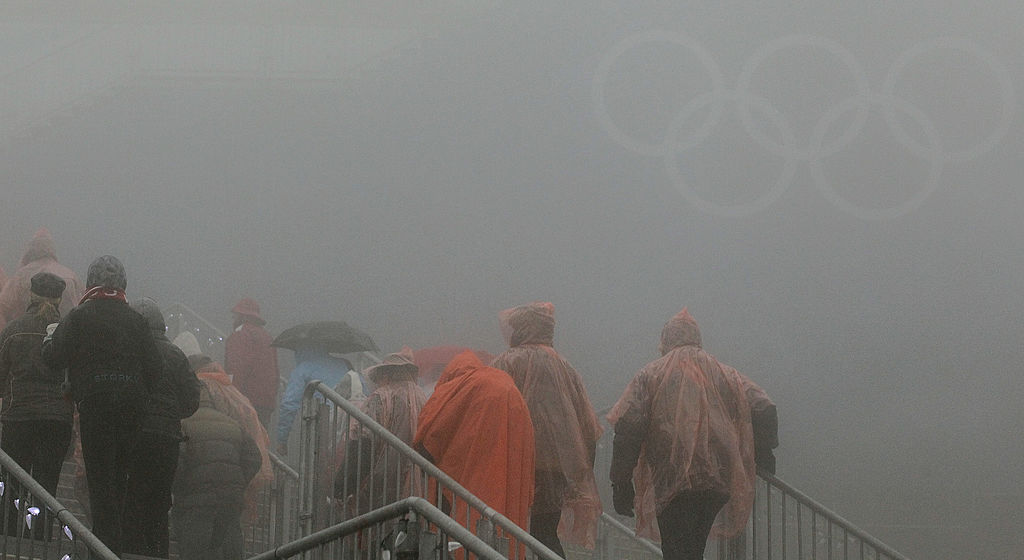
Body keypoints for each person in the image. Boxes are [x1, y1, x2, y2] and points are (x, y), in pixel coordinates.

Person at [607, 308, 778, 560]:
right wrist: (763, 453)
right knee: (692, 548)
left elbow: (628, 428)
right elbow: (764, 407)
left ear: (666, 339)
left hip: (672, 478)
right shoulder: (724, 374)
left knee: (676, 549)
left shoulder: (651, 375)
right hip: (715, 479)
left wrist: (621, 482)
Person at [41, 255, 162, 556]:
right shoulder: (137, 321)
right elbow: (156, 369)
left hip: (96, 404)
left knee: (100, 480)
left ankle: (104, 548)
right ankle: (112, 546)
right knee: (120, 479)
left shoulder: (80, 315)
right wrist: (139, 394)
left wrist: (48, 340)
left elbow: (55, 357)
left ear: (91, 281)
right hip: (132, 408)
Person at [490, 301, 603, 554]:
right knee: (544, 532)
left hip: (515, 462)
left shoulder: (505, 363)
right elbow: (587, 425)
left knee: (506, 529)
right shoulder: (565, 368)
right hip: (556, 466)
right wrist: (582, 470)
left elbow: (488, 412)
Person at [413, 351, 535, 542]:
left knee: (465, 529)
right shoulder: (507, 387)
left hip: (467, 481)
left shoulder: (461, 386)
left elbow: (430, 435)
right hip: (505, 476)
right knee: (502, 529)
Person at [123, 298, 202, 558]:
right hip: (167, 437)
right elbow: (192, 398)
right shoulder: (176, 354)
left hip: (133, 433)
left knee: (131, 496)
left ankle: (131, 551)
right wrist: (171, 414)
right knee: (159, 501)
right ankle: (157, 553)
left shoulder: (127, 350)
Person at [0, 272, 73, 539]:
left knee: (11, 484)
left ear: (31, 295)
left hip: (18, 418)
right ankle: (39, 539)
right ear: (59, 299)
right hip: (57, 421)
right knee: (46, 486)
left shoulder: (13, 330)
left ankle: (7, 537)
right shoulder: (67, 333)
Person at [173, 380, 263, 560]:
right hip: (230, 499)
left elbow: (178, 464)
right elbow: (255, 457)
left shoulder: (183, 424)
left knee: (195, 551)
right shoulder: (232, 423)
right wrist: (239, 481)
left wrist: (180, 489)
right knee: (230, 547)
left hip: (196, 501)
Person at [335, 347, 427, 510]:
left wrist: (342, 486)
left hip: (382, 479)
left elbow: (363, 443)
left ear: (386, 373)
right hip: (416, 481)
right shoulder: (422, 397)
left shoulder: (381, 397)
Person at [189, 354, 273, 524]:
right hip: (235, 467)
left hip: (205, 468)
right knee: (230, 525)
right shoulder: (231, 391)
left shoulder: (203, 386)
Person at [0, 228, 84, 332]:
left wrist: (7, 335)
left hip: (27, 335)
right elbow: (82, 308)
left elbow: (3, 308)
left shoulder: (20, 276)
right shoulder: (71, 276)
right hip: (63, 336)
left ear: (30, 249)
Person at [276, 345, 352, 455]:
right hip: (348, 420)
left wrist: (282, 439)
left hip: (322, 423)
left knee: (320, 458)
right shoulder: (343, 364)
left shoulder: (303, 369)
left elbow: (289, 404)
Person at [224, 298, 279, 430]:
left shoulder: (240, 334)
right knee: (260, 438)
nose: (233, 319)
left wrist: (231, 395)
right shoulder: (267, 336)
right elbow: (276, 371)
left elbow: (235, 368)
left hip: (245, 400)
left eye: (235, 315)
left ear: (242, 316)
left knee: (243, 438)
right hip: (266, 401)